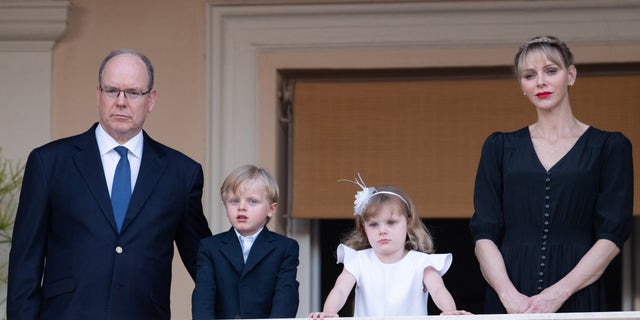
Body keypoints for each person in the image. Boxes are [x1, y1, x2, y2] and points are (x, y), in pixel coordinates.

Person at [7, 48, 212, 320]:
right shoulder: (49, 163)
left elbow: (204, 263)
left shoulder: (181, 173)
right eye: (112, 90)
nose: (121, 101)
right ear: (98, 95)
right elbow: (25, 264)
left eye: (133, 93)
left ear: (150, 100)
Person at [470, 35, 634, 314]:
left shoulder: (610, 147)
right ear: (522, 86)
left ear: (570, 75)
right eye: (529, 75)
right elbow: (484, 233)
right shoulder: (499, 147)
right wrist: (509, 296)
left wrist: (558, 294)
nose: (540, 82)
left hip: (577, 291)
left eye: (550, 71)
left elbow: (612, 235)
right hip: (510, 296)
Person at [309, 175, 471, 318]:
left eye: (391, 222)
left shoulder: (422, 263)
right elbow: (340, 290)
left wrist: (450, 311)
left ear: (408, 223)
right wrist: (329, 313)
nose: (382, 231)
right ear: (363, 228)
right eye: (373, 225)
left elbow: (437, 289)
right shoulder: (358, 261)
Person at [191, 164, 299, 319]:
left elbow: (285, 298)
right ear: (225, 206)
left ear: (271, 209)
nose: (241, 207)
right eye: (234, 201)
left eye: (252, 201)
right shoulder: (209, 248)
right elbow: (203, 299)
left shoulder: (285, 248)